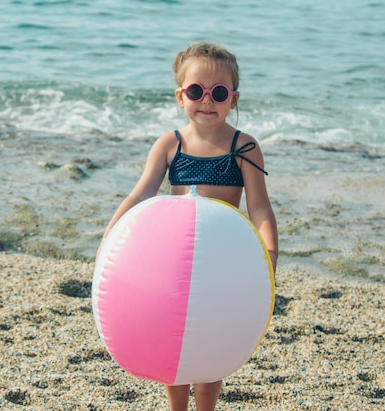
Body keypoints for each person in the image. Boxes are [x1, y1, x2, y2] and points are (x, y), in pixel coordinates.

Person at [101, 42, 278, 411]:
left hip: (222, 260)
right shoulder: (170, 144)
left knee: (211, 343)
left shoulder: (244, 147)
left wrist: (269, 250)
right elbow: (140, 195)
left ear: (234, 98)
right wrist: (111, 236)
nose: (207, 100)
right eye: (197, 91)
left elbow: (259, 205)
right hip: (173, 261)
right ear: (180, 97)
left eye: (219, 92)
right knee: (172, 338)